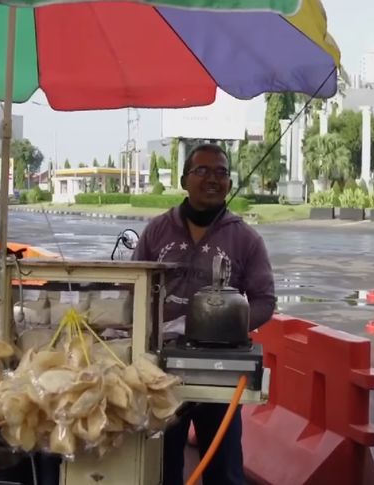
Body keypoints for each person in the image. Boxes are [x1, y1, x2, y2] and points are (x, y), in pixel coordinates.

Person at [132, 143, 275, 485]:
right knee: (160, 464)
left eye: (221, 172)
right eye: (203, 171)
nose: (213, 179)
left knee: (223, 465)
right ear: (184, 180)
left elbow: (265, 300)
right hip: (159, 368)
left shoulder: (245, 239)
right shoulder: (157, 231)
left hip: (221, 368)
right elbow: (133, 288)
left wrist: (225, 328)